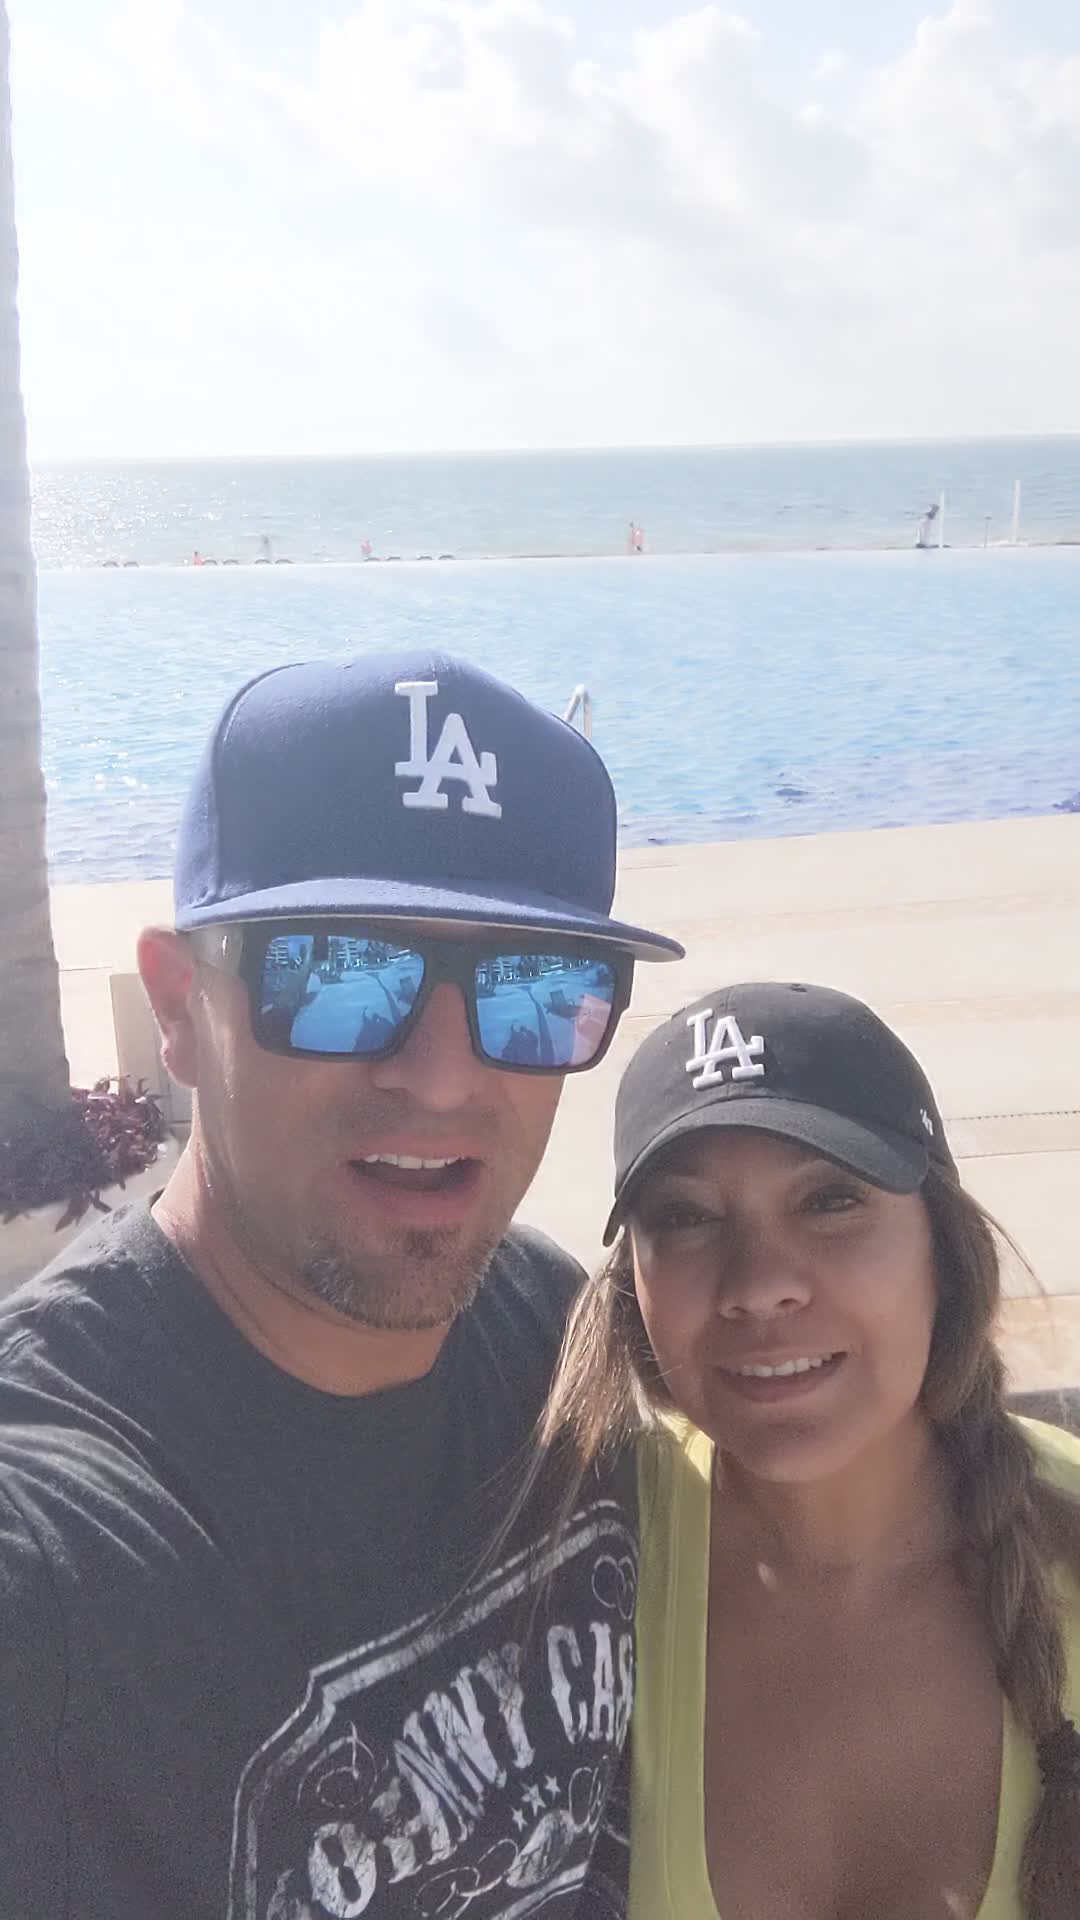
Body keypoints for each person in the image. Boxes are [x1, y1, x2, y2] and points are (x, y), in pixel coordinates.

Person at [0, 650, 682, 1919]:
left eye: (533, 989)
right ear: (178, 1007)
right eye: (339, 974)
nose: (442, 1075)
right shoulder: (55, 1545)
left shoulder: (552, 1340)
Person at [541, 981, 1080, 1920]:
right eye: (687, 1217)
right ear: (632, 1288)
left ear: (945, 1248)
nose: (760, 1285)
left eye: (830, 1201)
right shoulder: (577, 1564)